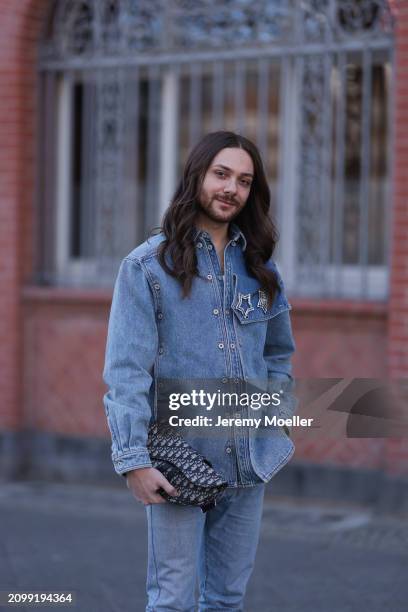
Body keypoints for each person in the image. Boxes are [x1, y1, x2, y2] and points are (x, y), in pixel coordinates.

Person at [103, 131, 297, 611]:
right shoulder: (147, 267)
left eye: (245, 181)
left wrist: (275, 419)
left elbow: (278, 354)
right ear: (198, 177)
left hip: (248, 462)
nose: (232, 188)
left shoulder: (261, 269)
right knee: (172, 601)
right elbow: (126, 371)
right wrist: (133, 460)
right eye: (222, 174)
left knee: (227, 599)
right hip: (178, 465)